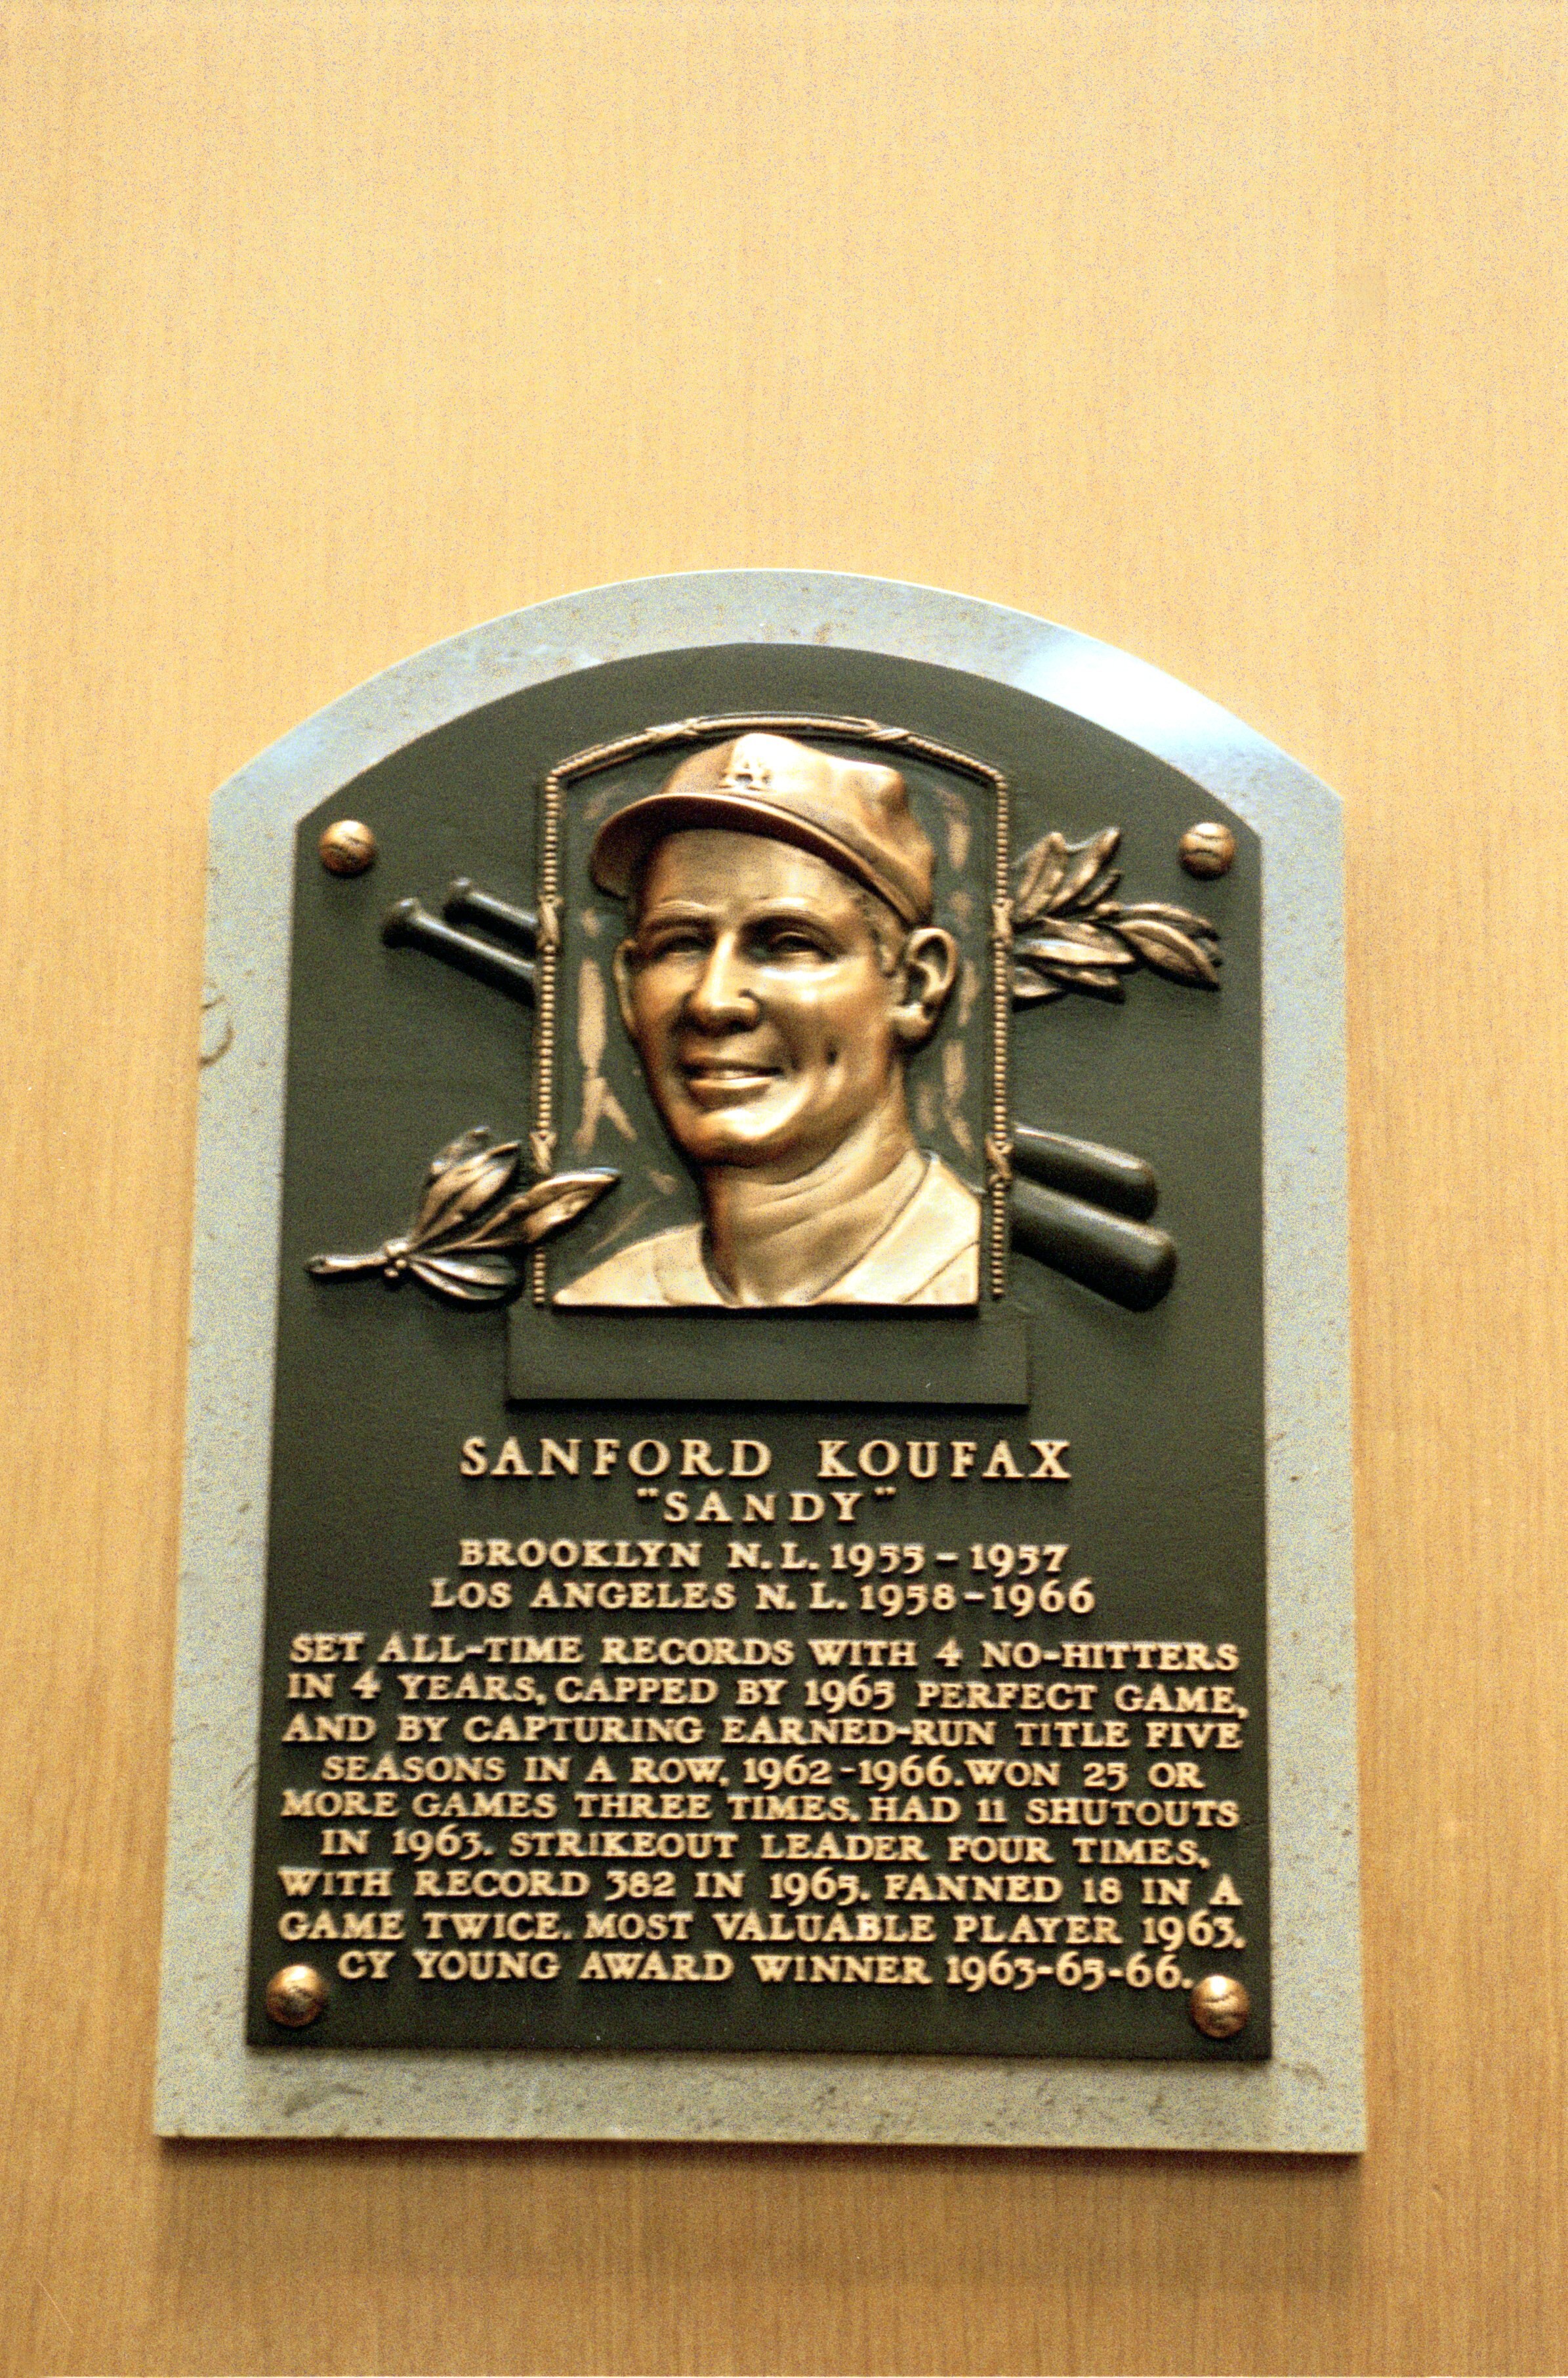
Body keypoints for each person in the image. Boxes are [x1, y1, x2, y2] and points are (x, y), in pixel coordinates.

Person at [555, 732, 980, 1306]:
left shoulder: (989, 1281)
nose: (713, 1002)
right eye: (681, 944)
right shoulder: (600, 1299)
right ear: (629, 989)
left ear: (914, 985)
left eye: (788, 944)